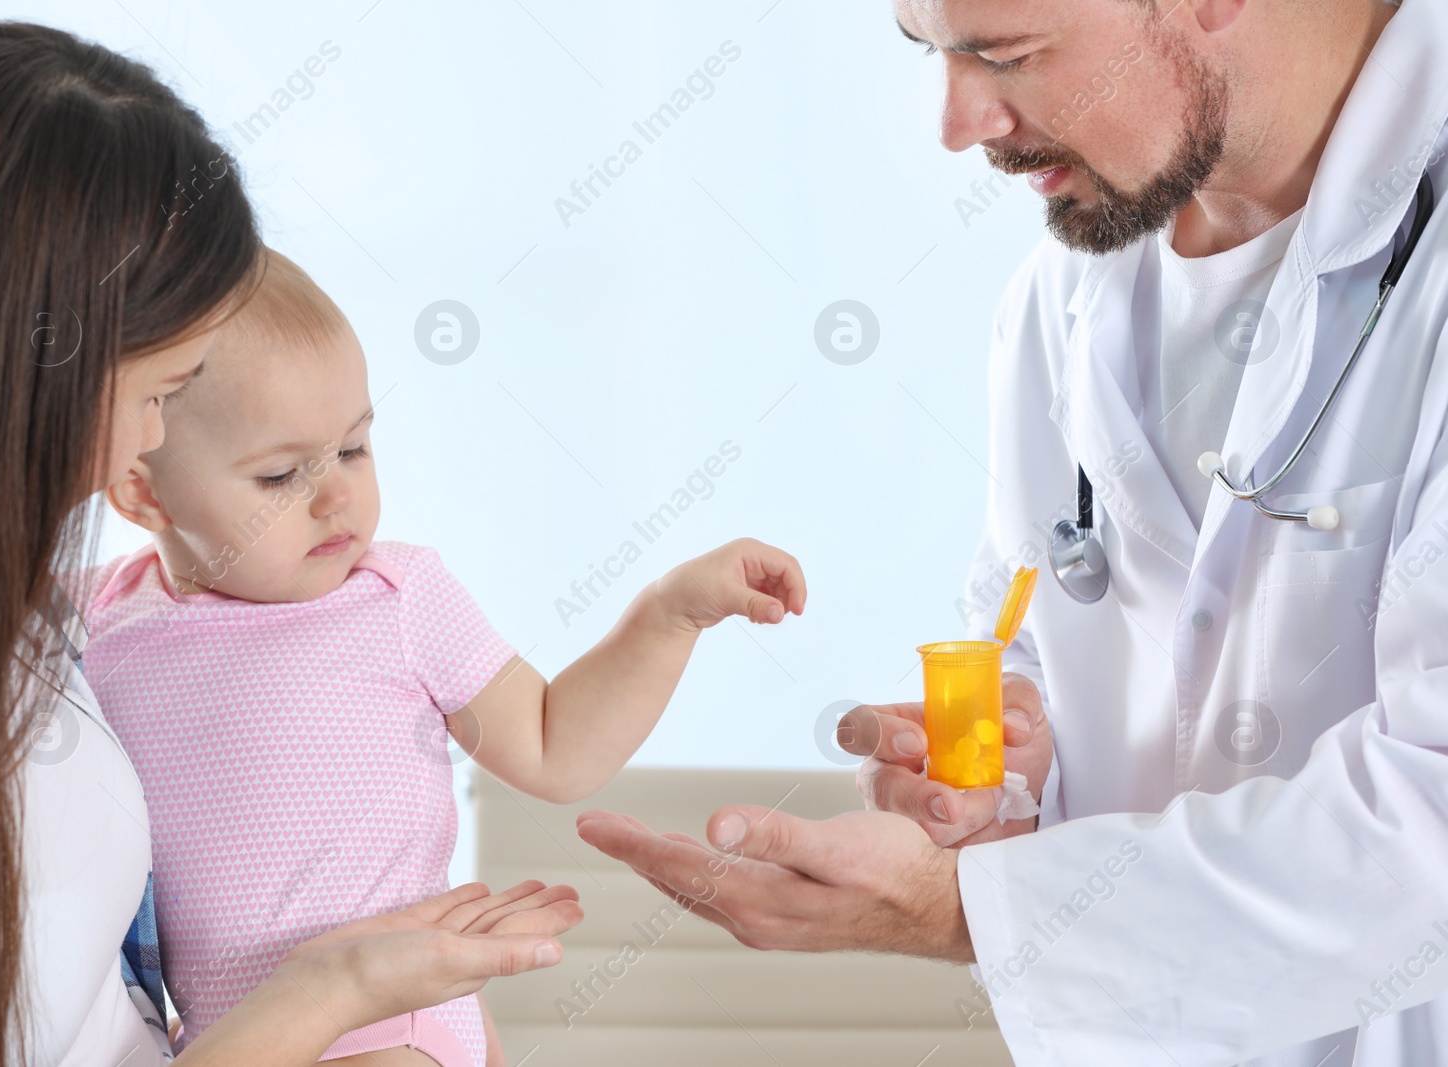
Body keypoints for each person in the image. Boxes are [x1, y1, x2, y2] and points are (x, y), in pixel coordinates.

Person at [578, 0, 1448, 1062]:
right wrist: (1010, 782)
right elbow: (1046, 643)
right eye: (932, 51)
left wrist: (964, 910)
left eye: (1003, 54)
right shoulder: (1069, 289)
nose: (956, 122)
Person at [0, 23, 581, 1067]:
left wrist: (396, 1006)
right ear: (30, 364)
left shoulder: (38, 624)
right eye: (155, 392)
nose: (150, 442)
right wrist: (335, 989)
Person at [80, 247, 807, 1066]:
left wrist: (669, 617)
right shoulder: (96, 615)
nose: (337, 496)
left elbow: (552, 743)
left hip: (393, 1020)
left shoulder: (396, 596)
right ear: (140, 490)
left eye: (354, 448)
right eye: (282, 475)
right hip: (235, 1036)